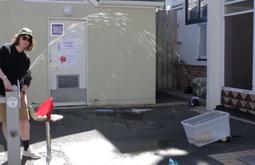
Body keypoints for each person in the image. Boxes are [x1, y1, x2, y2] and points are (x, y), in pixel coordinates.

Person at [0, 27, 40, 159]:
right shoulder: (6, 49)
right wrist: (4, 79)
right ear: (18, 37)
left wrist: (22, 92)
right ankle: (12, 148)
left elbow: (27, 77)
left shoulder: (25, 59)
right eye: (24, 37)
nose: (26, 41)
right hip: (2, 92)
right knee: (6, 121)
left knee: (23, 121)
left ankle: (27, 149)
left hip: (18, 93)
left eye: (29, 39)